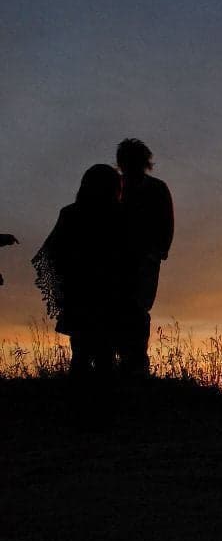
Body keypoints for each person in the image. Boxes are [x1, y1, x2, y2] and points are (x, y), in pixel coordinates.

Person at [32, 165, 125, 379]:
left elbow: (52, 254)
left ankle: (78, 404)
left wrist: (65, 284)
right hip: (107, 294)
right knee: (105, 354)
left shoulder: (71, 213)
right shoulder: (119, 216)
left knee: (82, 354)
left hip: (79, 293)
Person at [116, 138, 174, 375]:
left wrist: (158, 251)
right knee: (122, 309)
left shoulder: (157, 188)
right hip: (118, 260)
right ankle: (126, 364)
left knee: (138, 310)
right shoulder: (115, 186)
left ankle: (136, 364)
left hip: (145, 259)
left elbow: (167, 223)